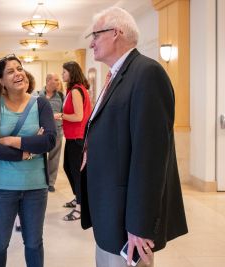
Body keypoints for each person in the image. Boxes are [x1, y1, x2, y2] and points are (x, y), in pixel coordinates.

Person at [81, 7, 188, 267]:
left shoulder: (147, 74)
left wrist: (140, 225)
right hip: (110, 209)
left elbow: (150, 158)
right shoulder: (118, 75)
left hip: (127, 218)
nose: (92, 42)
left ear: (116, 33)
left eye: (95, 35)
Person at [0, 54, 56, 267]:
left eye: (19, 68)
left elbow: (49, 140)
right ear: (1, 81)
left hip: (35, 186)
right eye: (10, 71)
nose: (18, 74)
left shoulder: (41, 104)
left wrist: (12, 141)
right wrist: (28, 149)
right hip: (0, 187)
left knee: (33, 244)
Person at [59, 61, 91, 221]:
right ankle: (77, 197)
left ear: (71, 73)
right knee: (68, 168)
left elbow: (78, 117)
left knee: (76, 173)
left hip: (77, 137)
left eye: (64, 72)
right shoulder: (74, 89)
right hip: (72, 137)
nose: (62, 75)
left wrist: (59, 115)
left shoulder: (77, 90)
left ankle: (80, 207)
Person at [37, 73, 64, 192]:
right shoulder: (37, 95)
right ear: (48, 81)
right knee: (39, 156)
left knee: (54, 157)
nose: (59, 82)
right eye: (56, 80)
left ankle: (51, 182)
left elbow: (64, 113)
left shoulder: (61, 96)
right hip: (41, 131)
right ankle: (40, 180)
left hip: (57, 130)